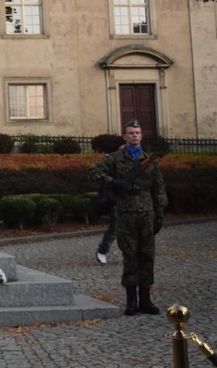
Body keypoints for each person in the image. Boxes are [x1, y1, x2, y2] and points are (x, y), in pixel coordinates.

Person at [88, 119, 168, 316]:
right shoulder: (115, 158)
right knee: (130, 257)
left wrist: (159, 214)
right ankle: (131, 301)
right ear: (125, 136)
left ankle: (146, 300)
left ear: (141, 136)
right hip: (126, 215)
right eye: (131, 133)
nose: (134, 136)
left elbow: (158, 189)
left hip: (147, 215)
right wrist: (114, 182)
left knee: (147, 256)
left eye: (137, 133)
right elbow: (93, 172)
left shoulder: (149, 161)